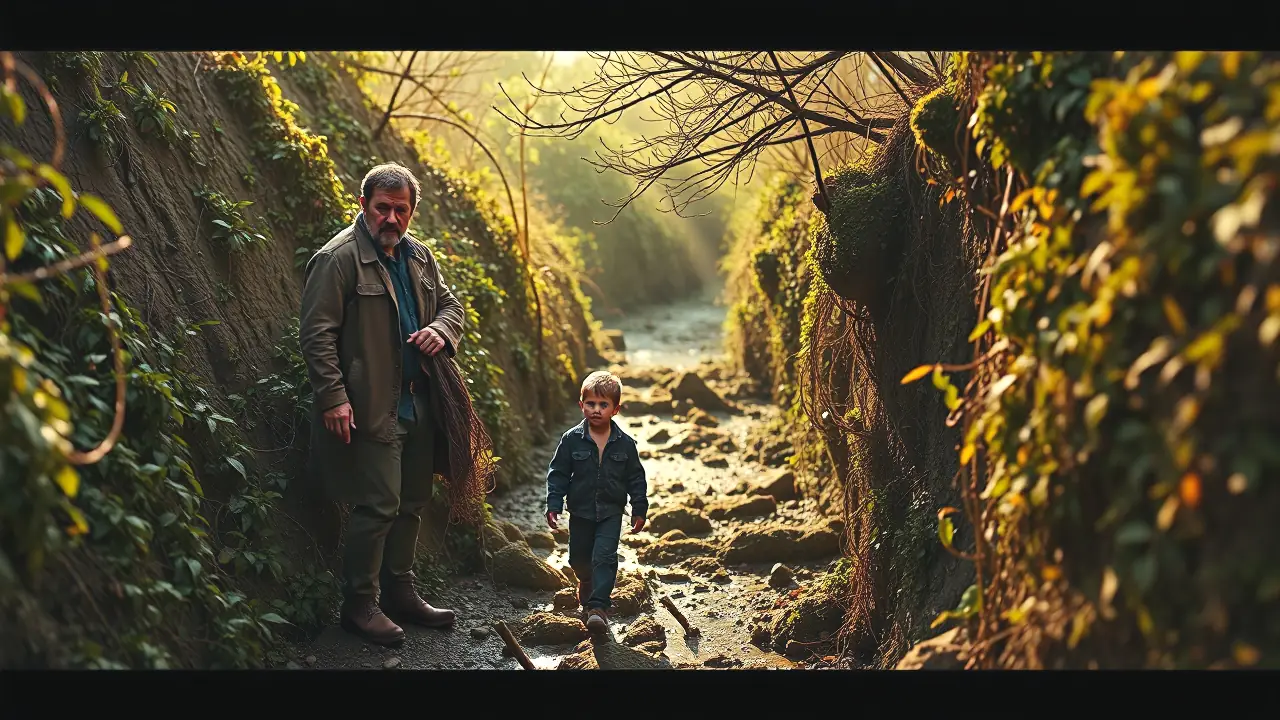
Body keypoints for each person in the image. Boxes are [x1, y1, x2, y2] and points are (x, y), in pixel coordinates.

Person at [299, 162, 464, 646]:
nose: (391, 218)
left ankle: (401, 593)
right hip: (371, 407)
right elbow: (316, 334)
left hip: (420, 405)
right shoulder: (338, 259)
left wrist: (441, 329)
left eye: (401, 209)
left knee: (412, 502)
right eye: (383, 208)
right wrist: (333, 397)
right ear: (364, 205)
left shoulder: (419, 257)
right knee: (378, 506)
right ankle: (359, 606)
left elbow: (453, 305)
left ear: (411, 212)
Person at [545, 371, 648, 634]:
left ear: (616, 409)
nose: (596, 410)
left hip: (611, 512)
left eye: (604, 405)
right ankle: (586, 580)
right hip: (580, 511)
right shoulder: (571, 440)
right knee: (578, 558)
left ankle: (599, 607)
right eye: (590, 404)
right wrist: (554, 504)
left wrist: (639, 508)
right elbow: (558, 473)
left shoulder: (625, 444)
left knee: (604, 557)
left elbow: (636, 477)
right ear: (581, 405)